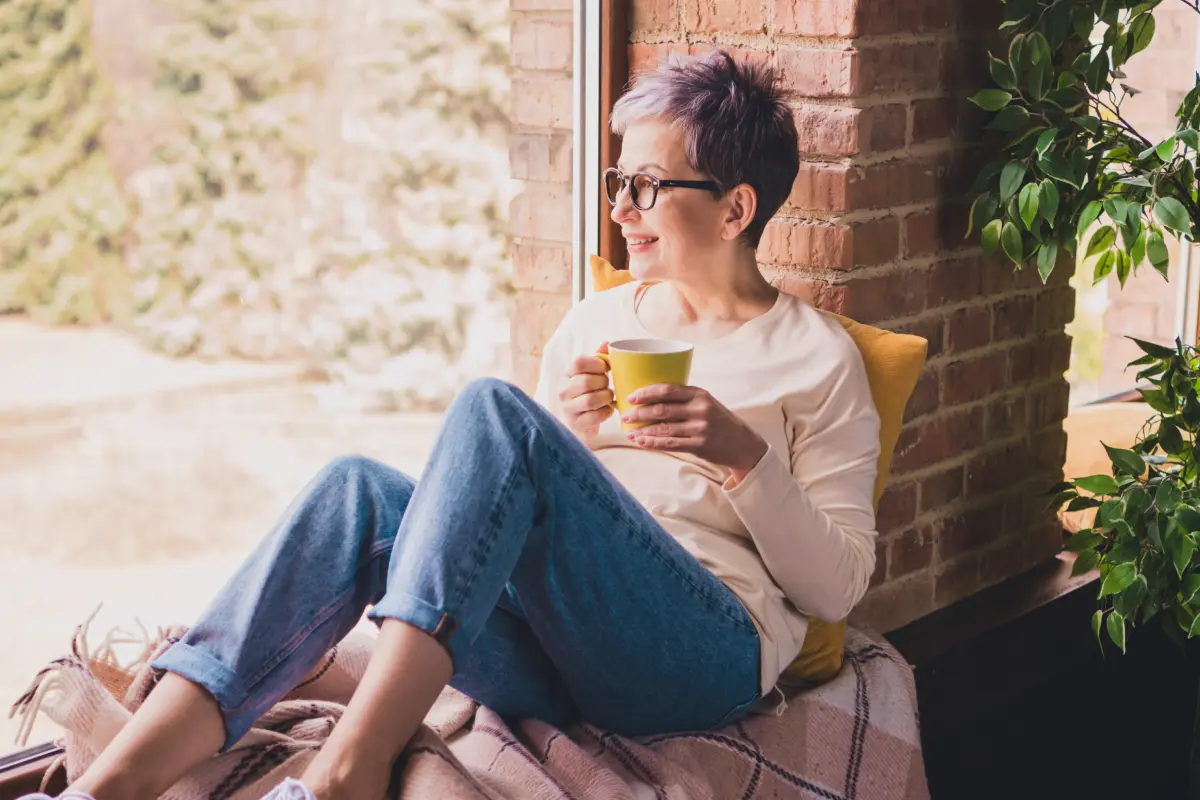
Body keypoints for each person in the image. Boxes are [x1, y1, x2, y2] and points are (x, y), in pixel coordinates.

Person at [23, 49, 881, 800]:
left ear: (735, 212)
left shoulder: (816, 358)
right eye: (619, 181)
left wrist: (740, 455)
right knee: (356, 491)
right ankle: (108, 787)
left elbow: (837, 589)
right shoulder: (597, 323)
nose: (621, 208)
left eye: (648, 187)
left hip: (700, 656)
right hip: (560, 658)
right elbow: (511, 519)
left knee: (491, 412)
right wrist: (568, 441)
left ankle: (347, 770)